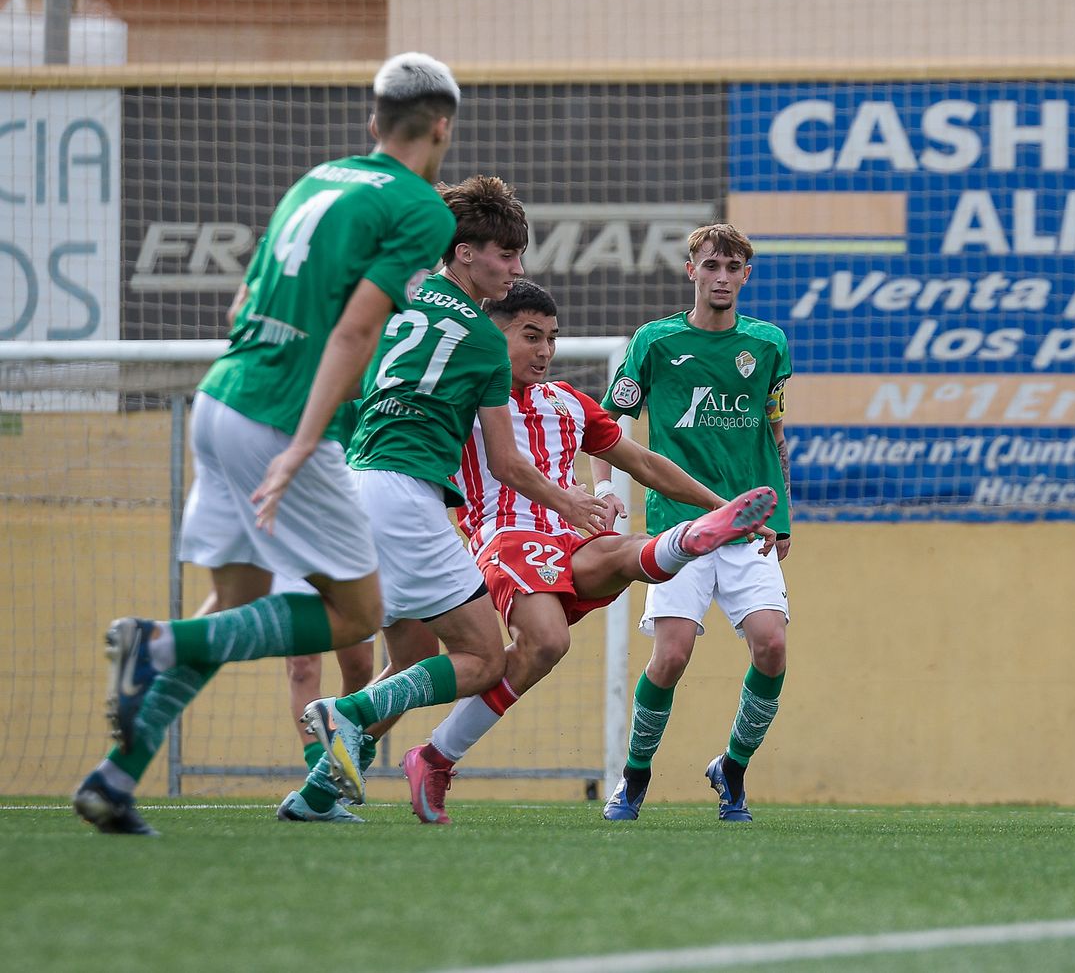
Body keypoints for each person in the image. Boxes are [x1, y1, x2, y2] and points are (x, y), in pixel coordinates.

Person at [73, 52, 464, 836]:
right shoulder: (422, 209)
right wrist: (301, 444)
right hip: (279, 420)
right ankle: (157, 641)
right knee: (358, 613)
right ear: (442, 129)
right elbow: (354, 332)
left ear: (374, 122)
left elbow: (240, 306)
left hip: (222, 398)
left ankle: (114, 779)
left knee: (239, 604)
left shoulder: (314, 181)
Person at [276, 175, 612, 823]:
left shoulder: (401, 297)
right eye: (506, 255)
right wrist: (568, 504)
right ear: (464, 253)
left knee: (411, 659)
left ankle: (317, 794)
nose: (517, 269)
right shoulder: (484, 341)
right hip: (404, 497)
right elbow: (507, 463)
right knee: (484, 660)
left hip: (355, 485)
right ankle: (346, 712)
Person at [397, 279, 778, 824]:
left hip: (566, 539)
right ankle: (387, 744)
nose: (546, 351)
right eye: (531, 336)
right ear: (492, 336)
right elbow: (451, 461)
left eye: (552, 338)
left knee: (622, 558)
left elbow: (642, 463)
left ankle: (695, 535)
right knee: (545, 642)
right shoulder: (462, 399)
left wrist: (722, 505)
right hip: (505, 537)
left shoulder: (567, 402)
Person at [595, 222, 793, 823]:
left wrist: (783, 515)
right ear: (692, 272)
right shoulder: (655, 342)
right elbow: (606, 424)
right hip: (678, 527)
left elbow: (774, 432)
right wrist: (603, 491)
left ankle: (732, 768)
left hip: (750, 527)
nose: (722, 278)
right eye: (711, 266)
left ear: (746, 276)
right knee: (672, 657)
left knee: (772, 646)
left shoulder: (768, 344)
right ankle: (634, 776)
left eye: (733, 268)